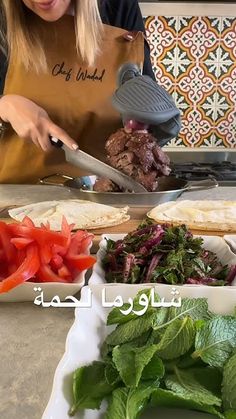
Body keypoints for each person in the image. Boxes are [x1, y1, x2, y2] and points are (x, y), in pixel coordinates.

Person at [0, 0, 154, 184]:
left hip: (105, 196)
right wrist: (5, 106)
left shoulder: (118, 5)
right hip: (17, 198)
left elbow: (146, 103)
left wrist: (150, 124)